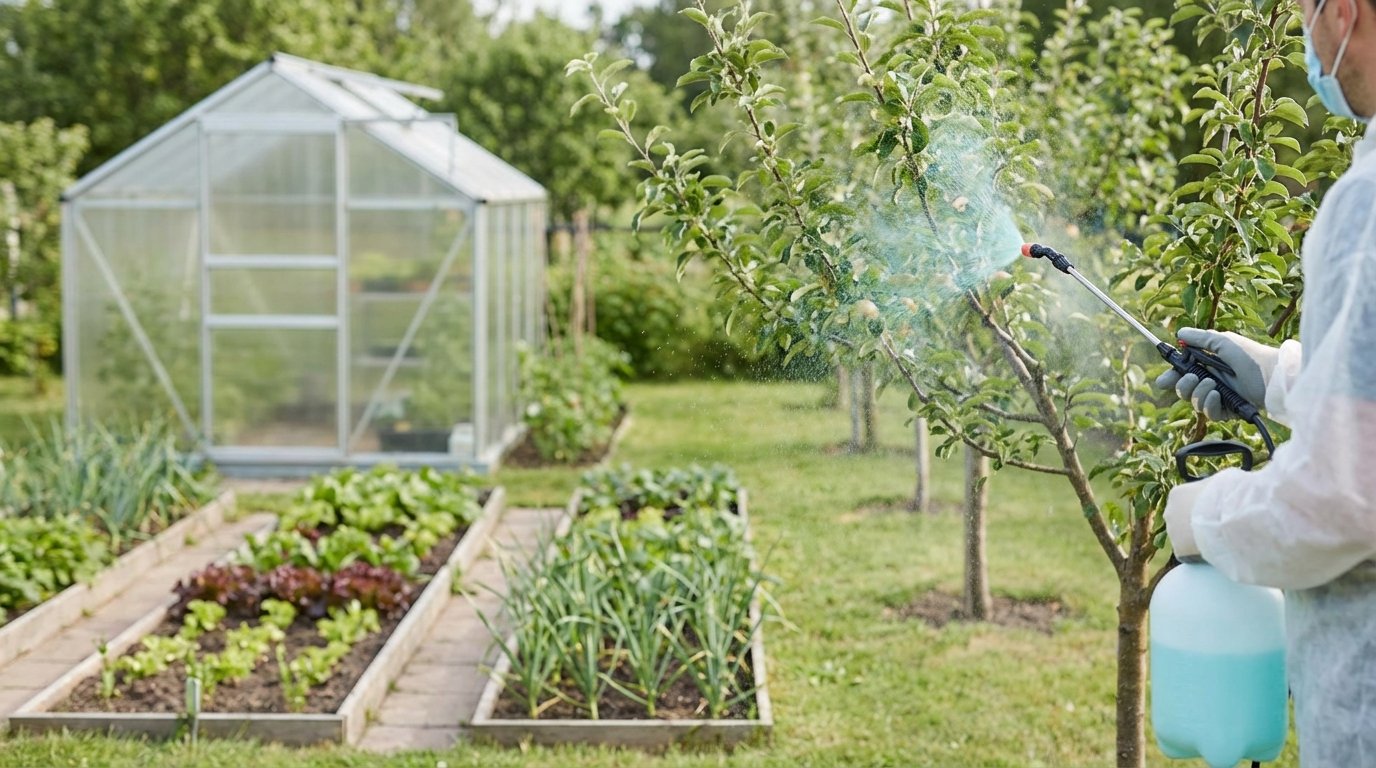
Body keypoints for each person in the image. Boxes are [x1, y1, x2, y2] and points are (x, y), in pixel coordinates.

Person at [1160, 0, 1376, 764]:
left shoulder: (1368, 203)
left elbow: (1339, 501)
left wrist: (1205, 516)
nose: (1308, 40)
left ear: (1342, 12)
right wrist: (1281, 376)